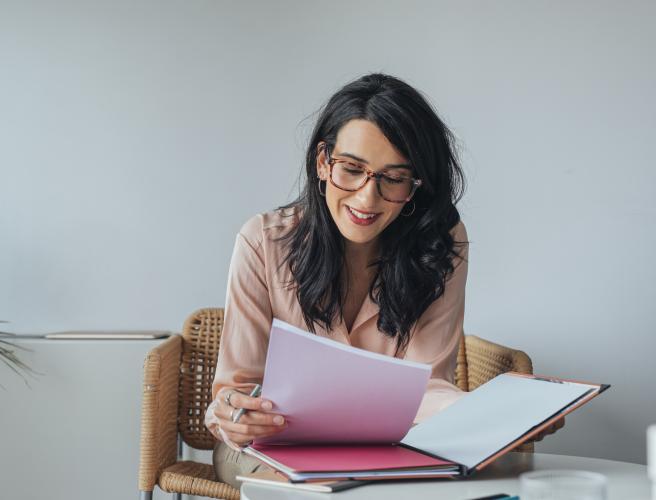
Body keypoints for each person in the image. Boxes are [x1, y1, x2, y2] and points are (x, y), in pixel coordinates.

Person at [204, 73, 561, 488]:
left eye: (393, 179)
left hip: (387, 449)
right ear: (323, 161)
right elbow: (234, 391)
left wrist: (494, 411)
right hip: (270, 447)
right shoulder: (264, 242)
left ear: (417, 183)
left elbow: (427, 389)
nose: (366, 199)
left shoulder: (440, 244)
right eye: (352, 169)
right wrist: (236, 413)